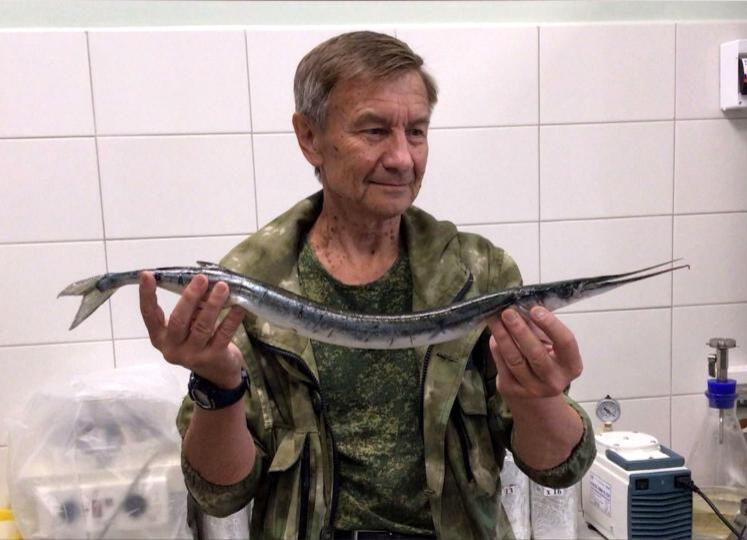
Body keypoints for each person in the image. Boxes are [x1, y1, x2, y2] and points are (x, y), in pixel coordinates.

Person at [138, 31, 595, 540]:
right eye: (374, 131)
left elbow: (556, 468)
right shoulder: (249, 284)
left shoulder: (478, 274)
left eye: (416, 132)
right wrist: (217, 385)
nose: (402, 158)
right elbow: (221, 492)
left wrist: (538, 398)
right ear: (309, 137)